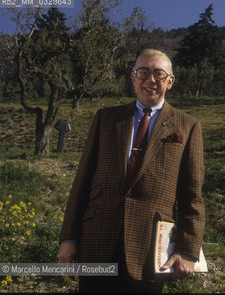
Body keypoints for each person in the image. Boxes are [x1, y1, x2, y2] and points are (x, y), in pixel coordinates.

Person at [58, 49, 205, 293]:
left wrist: (188, 250)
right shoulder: (106, 119)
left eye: (159, 74)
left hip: (149, 250)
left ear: (170, 81)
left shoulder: (188, 126)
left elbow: (192, 195)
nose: (151, 80)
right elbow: (81, 182)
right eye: (143, 72)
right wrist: (68, 238)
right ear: (133, 77)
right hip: (96, 242)